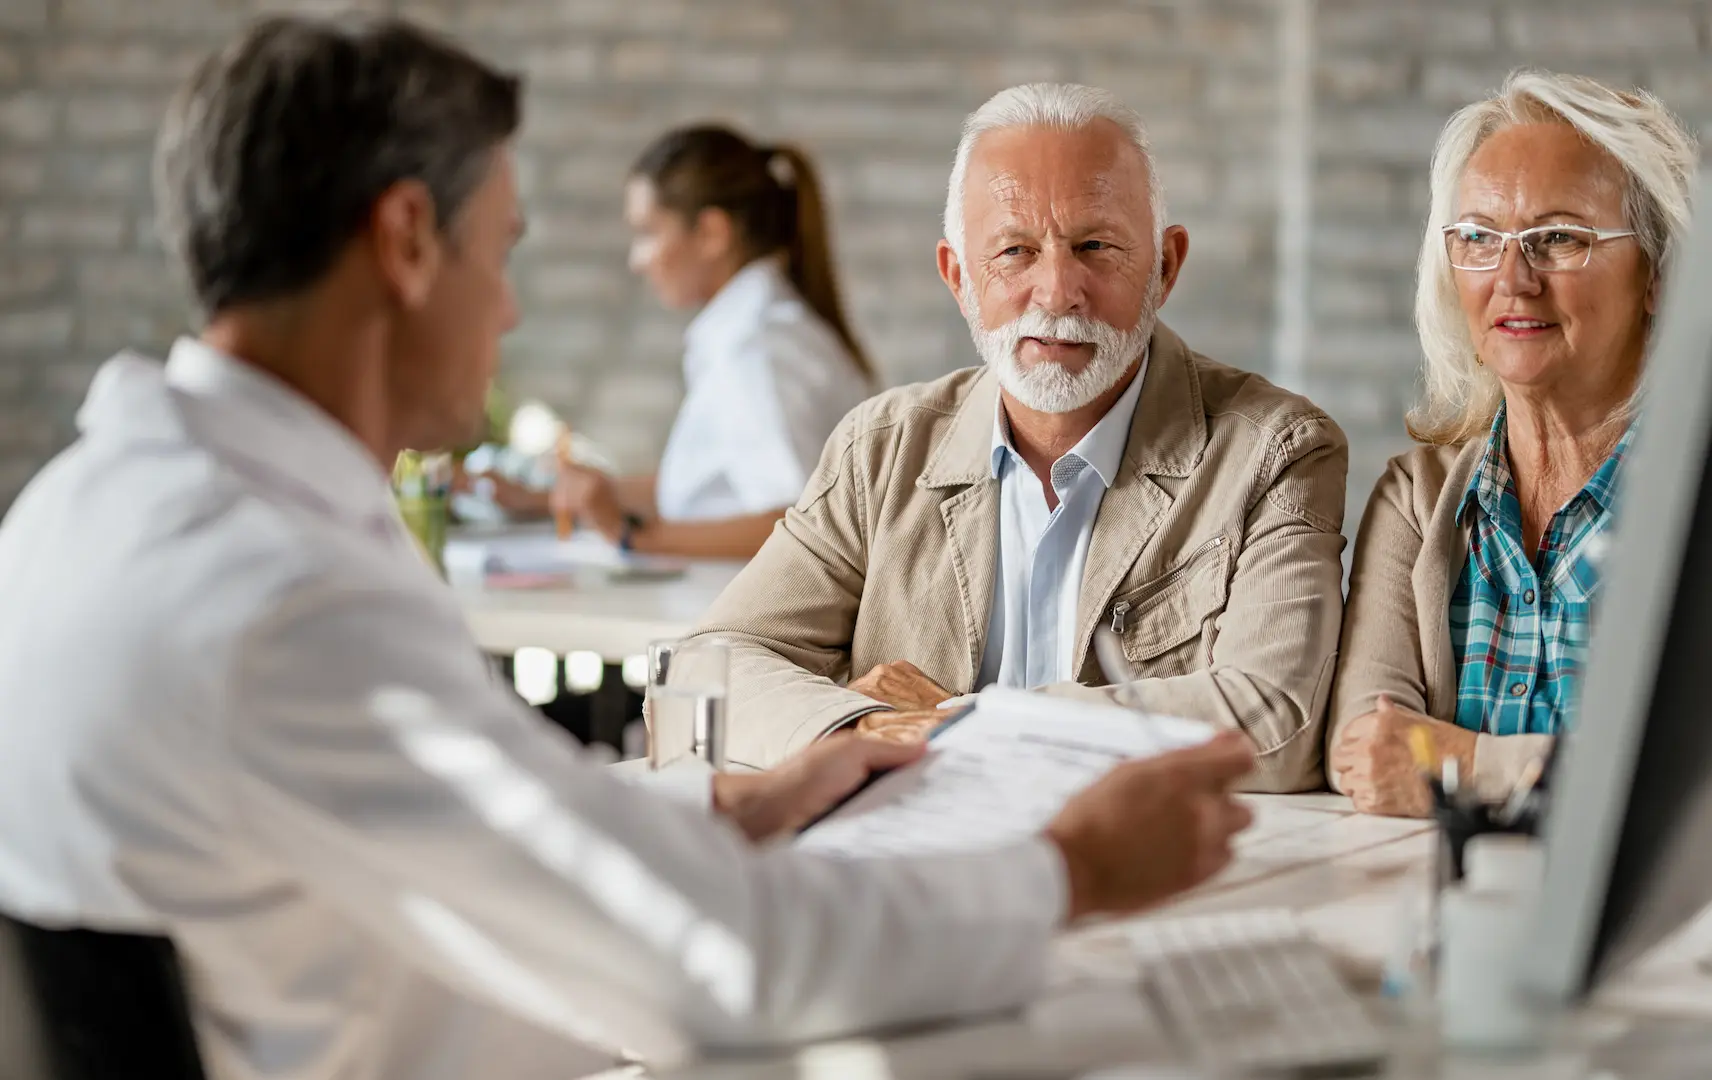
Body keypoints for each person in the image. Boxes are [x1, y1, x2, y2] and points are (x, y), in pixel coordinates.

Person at [0, 19, 1260, 1080]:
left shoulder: (80, 511)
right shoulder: (287, 598)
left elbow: (466, 812)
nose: (507, 308)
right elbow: (733, 960)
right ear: (403, 241)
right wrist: (1068, 871)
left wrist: (729, 803)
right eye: (503, 252)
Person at [684, 84, 1351, 792]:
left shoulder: (1277, 451)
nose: (1058, 289)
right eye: (1014, 251)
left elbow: (1277, 723)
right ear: (958, 276)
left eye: (1096, 245)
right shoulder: (879, 449)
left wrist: (968, 723)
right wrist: (867, 726)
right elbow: (708, 667)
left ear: (1165, 266)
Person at [1326, 70, 1712, 836]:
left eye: (1559, 238)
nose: (1511, 278)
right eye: (1479, 238)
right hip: (1457, 921)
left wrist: (1474, 767)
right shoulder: (1417, 498)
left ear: (1661, 276)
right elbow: (1366, 755)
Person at [486, 125, 874, 559]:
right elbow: (704, 490)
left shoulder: (755, 349)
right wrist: (540, 498)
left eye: (648, 233)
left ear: (711, 233)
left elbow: (797, 520)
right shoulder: (752, 330)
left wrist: (636, 535)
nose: (637, 261)